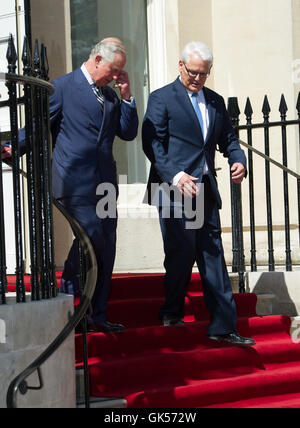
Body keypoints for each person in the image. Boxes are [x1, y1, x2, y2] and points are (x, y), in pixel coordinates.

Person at [3, 38, 138, 333]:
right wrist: (15, 146)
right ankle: (67, 293)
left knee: (107, 246)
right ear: (98, 59)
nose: (116, 77)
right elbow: (39, 123)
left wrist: (127, 97)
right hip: (73, 179)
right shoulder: (63, 87)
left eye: (120, 73)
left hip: (105, 183)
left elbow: (128, 133)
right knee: (91, 236)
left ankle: (96, 315)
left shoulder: (112, 96)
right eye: (114, 70)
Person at [142, 41, 255, 347]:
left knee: (213, 254)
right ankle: (172, 311)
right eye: (192, 72)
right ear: (180, 66)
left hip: (204, 188)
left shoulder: (216, 102)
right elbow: (152, 144)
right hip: (173, 187)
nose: (197, 78)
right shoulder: (161, 98)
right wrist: (176, 176)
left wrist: (238, 160)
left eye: (203, 74)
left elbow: (228, 139)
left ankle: (222, 325)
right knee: (181, 252)